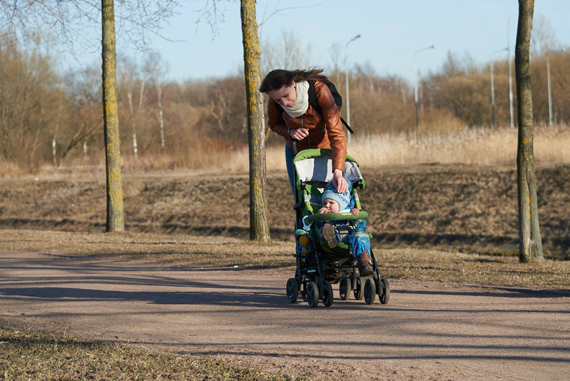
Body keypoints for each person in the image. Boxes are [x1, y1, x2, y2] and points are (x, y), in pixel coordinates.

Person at [259, 69, 348, 196]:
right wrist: (289, 131)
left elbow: (337, 134)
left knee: (331, 197)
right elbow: (274, 124)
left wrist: (338, 171)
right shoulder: (275, 100)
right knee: (302, 200)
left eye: (286, 96)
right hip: (296, 152)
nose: (284, 103)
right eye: (279, 100)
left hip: (325, 150)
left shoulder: (319, 91)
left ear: (293, 84)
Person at [318, 180, 373, 277]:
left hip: (350, 238)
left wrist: (356, 216)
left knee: (360, 234)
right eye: (325, 203)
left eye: (331, 202)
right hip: (333, 239)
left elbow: (361, 226)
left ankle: (364, 261)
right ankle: (331, 237)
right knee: (326, 229)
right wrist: (321, 217)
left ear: (341, 204)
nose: (327, 205)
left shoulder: (349, 212)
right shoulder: (324, 215)